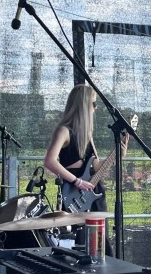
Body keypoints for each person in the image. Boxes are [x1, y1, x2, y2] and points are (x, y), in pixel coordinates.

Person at [43, 84, 128, 249]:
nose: (96, 108)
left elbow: (96, 168)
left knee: (101, 243)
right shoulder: (64, 131)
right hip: (74, 194)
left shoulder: (87, 135)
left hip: (94, 194)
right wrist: (77, 181)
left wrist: (117, 155)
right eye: (93, 103)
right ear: (83, 105)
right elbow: (50, 161)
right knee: (80, 243)